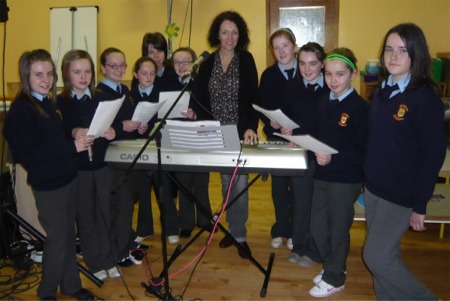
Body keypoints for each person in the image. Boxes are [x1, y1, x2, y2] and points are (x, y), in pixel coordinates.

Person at [362, 23, 446, 300]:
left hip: (400, 194)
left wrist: (420, 204)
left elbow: (433, 155)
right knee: (386, 254)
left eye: (402, 50)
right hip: (374, 189)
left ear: (416, 55)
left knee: (375, 256)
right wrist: (366, 180)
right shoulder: (382, 91)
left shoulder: (425, 99)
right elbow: (376, 142)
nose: (393, 56)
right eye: (389, 49)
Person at [3, 49, 95, 300]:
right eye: (38, 75)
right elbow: (29, 154)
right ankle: (46, 292)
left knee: (67, 236)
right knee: (56, 239)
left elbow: (58, 137)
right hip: (48, 185)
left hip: (67, 177)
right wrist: (70, 147)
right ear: (26, 77)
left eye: (50, 74)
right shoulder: (21, 110)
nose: (46, 79)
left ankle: (70, 285)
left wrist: (75, 133)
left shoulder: (48, 103)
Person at [190, 10, 259, 259]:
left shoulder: (247, 59)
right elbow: (197, 95)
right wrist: (192, 113)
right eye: (225, 32)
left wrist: (251, 126)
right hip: (213, 131)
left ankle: (239, 233)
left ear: (240, 35)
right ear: (217, 34)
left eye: (234, 32)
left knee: (238, 182)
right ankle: (232, 228)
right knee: (225, 182)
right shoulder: (207, 62)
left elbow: (253, 98)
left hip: (239, 131)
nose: (230, 37)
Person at [308, 48, 369, 298]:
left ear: (353, 74)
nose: (333, 80)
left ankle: (335, 277)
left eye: (340, 74)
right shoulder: (324, 101)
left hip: (346, 179)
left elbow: (365, 150)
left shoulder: (360, 108)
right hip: (323, 175)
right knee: (316, 226)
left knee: (338, 227)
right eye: (329, 74)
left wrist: (334, 156)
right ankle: (334, 265)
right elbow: (321, 136)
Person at [56, 49, 120, 281]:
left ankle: (108, 258)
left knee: (105, 212)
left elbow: (112, 126)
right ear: (66, 74)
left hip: (101, 165)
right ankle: (94, 262)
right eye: (77, 72)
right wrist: (74, 132)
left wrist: (112, 131)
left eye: (87, 71)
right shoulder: (60, 101)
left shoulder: (100, 96)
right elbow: (61, 132)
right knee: (86, 218)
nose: (83, 77)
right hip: (79, 169)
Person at [282, 42, 329, 267]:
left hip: (322, 157)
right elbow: (289, 119)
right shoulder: (293, 87)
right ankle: (299, 245)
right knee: (300, 203)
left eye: (313, 64)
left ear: (322, 64)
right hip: (299, 154)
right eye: (302, 63)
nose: (307, 69)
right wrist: (286, 131)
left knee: (317, 207)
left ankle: (314, 250)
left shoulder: (331, 89)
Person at [96, 47, 142, 267]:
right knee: (119, 206)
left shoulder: (125, 89)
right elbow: (99, 128)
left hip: (126, 153)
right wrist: (121, 126)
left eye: (123, 65)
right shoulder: (98, 94)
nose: (119, 69)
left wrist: (138, 126)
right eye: (113, 65)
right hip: (109, 158)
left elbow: (127, 121)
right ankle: (117, 253)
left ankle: (124, 245)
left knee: (127, 204)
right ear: (103, 68)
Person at [128, 56, 181, 246]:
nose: (148, 77)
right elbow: (126, 122)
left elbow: (171, 119)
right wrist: (136, 127)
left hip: (159, 146)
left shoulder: (162, 94)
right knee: (142, 191)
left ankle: (171, 228)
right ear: (136, 74)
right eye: (144, 73)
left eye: (152, 73)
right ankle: (144, 228)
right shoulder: (130, 95)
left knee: (164, 189)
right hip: (139, 148)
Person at [167, 47, 215, 238]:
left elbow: (210, 109)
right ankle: (185, 221)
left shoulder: (201, 82)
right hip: (179, 137)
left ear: (194, 63)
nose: (181, 66)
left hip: (200, 136)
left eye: (186, 62)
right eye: (177, 62)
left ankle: (204, 219)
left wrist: (196, 114)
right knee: (184, 182)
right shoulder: (169, 83)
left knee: (201, 182)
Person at [258, 27, 298, 250]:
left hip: (301, 139)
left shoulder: (305, 72)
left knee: (298, 187)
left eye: (285, 45)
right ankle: (280, 229)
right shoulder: (269, 75)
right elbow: (262, 106)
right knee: (279, 186)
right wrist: (268, 120)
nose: (281, 51)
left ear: (294, 46)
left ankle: (295, 231)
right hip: (277, 138)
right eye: (276, 47)